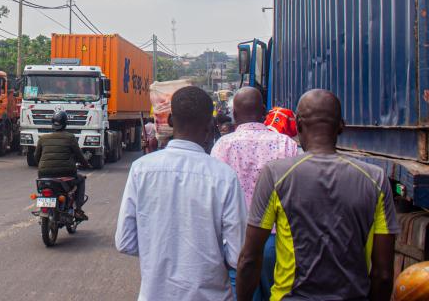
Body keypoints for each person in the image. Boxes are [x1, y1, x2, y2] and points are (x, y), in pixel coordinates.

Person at [236, 89, 398, 301]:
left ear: (299, 125)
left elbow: (249, 258)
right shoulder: (375, 179)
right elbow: (383, 274)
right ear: (341, 126)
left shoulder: (276, 175)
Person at [115, 85, 245, 301]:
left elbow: (125, 242)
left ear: (171, 122)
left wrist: (158, 249)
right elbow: (237, 255)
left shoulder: (141, 169)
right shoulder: (225, 177)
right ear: (211, 125)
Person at [211, 87, 299, 300]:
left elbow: (214, 198)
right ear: (263, 111)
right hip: (278, 242)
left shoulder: (223, 146)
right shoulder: (286, 144)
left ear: (234, 113)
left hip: (237, 241)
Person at [34, 110, 90, 220]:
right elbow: (79, 155)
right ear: (65, 123)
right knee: (81, 179)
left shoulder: (43, 138)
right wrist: (86, 164)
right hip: (66, 175)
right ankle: (78, 210)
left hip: (44, 175)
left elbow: (36, 157)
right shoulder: (70, 137)